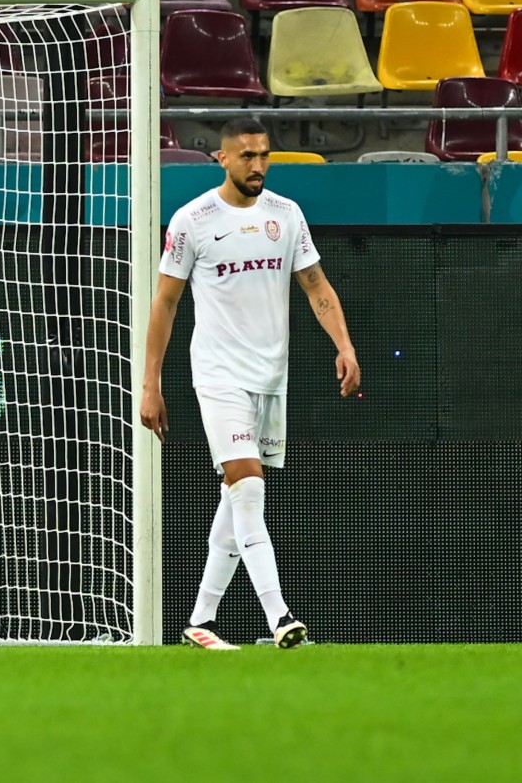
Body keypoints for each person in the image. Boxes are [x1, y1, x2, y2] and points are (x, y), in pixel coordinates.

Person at [140, 118, 361, 651]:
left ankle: (200, 620)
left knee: (235, 498)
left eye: (264, 155)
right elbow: (165, 302)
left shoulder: (286, 215)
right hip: (218, 373)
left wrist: (345, 345)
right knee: (249, 486)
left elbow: (316, 285)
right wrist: (150, 383)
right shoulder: (193, 220)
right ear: (222, 158)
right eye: (246, 156)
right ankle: (280, 615)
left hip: (270, 377)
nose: (257, 165)